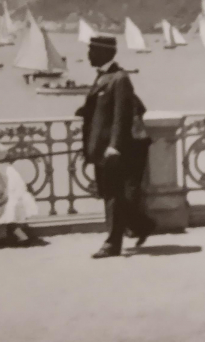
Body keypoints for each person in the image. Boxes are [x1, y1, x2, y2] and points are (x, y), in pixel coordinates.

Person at [76, 35, 155, 259]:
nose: (88, 55)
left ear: (104, 53)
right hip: (100, 148)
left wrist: (114, 147)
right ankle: (142, 225)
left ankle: (112, 244)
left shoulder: (120, 79)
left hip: (114, 150)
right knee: (110, 194)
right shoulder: (104, 77)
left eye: (92, 51)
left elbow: (121, 116)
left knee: (113, 195)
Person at [0, 143, 38, 245]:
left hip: (8, 198)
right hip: (19, 196)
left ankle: (23, 238)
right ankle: (2, 235)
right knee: (3, 217)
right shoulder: (9, 167)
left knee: (9, 220)